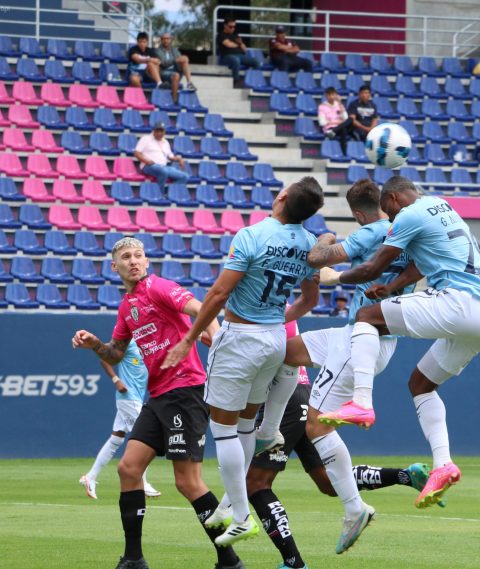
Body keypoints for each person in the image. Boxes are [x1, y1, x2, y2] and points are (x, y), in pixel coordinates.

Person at [310, 176, 480, 512]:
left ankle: (361, 402)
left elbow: (372, 267)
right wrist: (394, 286)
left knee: (366, 317)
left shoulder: (410, 214)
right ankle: (443, 463)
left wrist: (334, 277)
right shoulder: (442, 206)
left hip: (457, 301)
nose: (392, 221)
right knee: (421, 384)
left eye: (391, 213)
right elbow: (416, 265)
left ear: (396, 198)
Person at [161, 177, 324, 548]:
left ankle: (240, 516)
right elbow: (309, 302)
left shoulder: (251, 235)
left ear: (281, 197)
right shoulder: (309, 244)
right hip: (273, 340)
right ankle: (231, 504)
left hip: (239, 339)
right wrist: (275, 321)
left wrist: (189, 337)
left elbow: (219, 293)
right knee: (247, 423)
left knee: (224, 430)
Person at [71, 237, 244, 569]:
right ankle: (133, 558)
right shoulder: (127, 307)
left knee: (187, 482)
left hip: (186, 392)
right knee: (129, 468)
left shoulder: (160, 287)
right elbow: (116, 353)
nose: (133, 261)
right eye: (126, 257)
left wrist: (217, 340)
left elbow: (203, 308)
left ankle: (230, 560)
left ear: (147, 262)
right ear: (115, 267)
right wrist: (95, 344)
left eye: (138, 255)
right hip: (159, 395)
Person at [208, 316, 434, 569]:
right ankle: (405, 476)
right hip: (302, 395)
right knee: (328, 481)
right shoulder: (279, 312)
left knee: (256, 484)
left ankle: (293, 563)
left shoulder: (257, 316)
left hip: (285, 403)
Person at [79, 340, 160, 501]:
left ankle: (90, 477)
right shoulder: (129, 342)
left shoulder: (149, 344)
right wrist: (116, 380)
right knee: (146, 439)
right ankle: (142, 482)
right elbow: (104, 358)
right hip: (128, 398)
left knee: (116, 439)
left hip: (135, 397)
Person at [133, 122, 188, 191]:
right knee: (163, 171)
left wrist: (179, 159)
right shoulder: (146, 139)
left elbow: (170, 157)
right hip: (148, 166)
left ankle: (169, 193)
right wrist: (146, 161)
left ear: (164, 132)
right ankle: (159, 194)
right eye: (157, 130)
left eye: (161, 131)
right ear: (154, 130)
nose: (159, 133)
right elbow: (136, 153)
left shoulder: (165, 142)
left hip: (163, 166)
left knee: (185, 176)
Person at [217, 18, 259, 85]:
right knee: (236, 60)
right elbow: (229, 45)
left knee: (255, 61)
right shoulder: (221, 35)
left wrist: (241, 43)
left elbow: (245, 50)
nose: (233, 28)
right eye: (230, 27)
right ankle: (236, 81)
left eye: (234, 27)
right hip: (226, 56)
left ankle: (254, 81)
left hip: (240, 56)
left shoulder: (236, 35)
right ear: (225, 25)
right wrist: (239, 44)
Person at [155, 32, 196, 101]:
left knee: (184, 59)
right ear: (161, 40)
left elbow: (179, 60)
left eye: (168, 39)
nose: (166, 40)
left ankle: (189, 83)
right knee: (176, 75)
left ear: (171, 40)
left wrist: (182, 59)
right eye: (164, 39)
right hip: (164, 72)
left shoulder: (175, 50)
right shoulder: (157, 51)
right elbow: (163, 63)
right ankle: (174, 99)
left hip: (175, 70)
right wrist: (175, 60)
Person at [318, 87, 351, 155]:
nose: (331, 96)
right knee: (343, 128)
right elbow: (322, 123)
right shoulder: (322, 106)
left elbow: (345, 117)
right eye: (329, 95)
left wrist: (340, 103)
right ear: (326, 95)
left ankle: (344, 153)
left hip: (336, 130)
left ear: (336, 95)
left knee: (350, 120)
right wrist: (336, 122)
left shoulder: (339, 105)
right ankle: (344, 152)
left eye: (333, 94)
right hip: (329, 128)